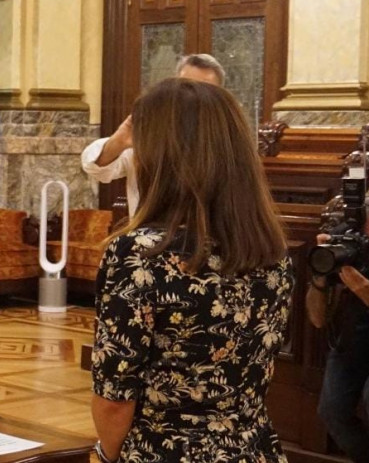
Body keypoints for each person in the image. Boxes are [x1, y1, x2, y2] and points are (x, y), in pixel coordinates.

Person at [91, 78, 293, 463]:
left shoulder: (138, 255)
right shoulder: (272, 249)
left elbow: (115, 396)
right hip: (253, 448)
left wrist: (105, 456)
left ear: (160, 157)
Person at [81, 54, 225, 217]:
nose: (192, 97)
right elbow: (96, 168)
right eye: (186, 87)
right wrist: (120, 141)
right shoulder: (152, 135)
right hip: (149, 237)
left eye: (204, 90)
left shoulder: (227, 143)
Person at [305, 195, 369, 463]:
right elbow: (317, 320)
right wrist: (320, 274)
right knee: (332, 410)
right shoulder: (348, 250)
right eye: (365, 241)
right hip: (358, 338)